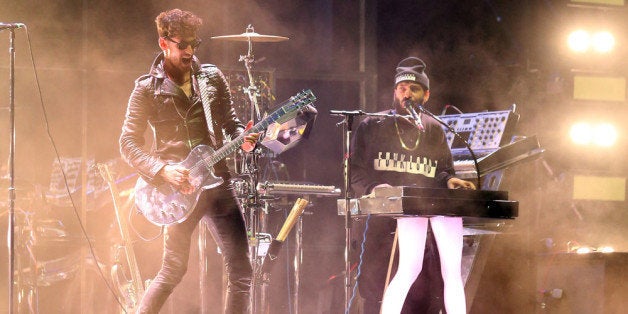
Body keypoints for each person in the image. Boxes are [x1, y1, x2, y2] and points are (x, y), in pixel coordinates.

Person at [119, 8, 259, 314]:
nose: (190, 51)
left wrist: (244, 139)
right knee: (173, 271)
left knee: (241, 271)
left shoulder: (211, 77)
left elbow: (230, 122)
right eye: (183, 44)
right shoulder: (146, 89)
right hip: (177, 188)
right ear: (164, 44)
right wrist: (162, 170)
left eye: (195, 44)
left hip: (219, 184)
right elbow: (127, 143)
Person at [350, 57, 475, 314]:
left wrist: (449, 181)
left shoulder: (433, 129)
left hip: (420, 214)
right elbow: (356, 173)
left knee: (426, 284)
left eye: (413, 88)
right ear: (394, 91)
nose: (406, 93)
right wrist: (375, 190)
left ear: (426, 95)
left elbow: (442, 171)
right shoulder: (373, 124)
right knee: (377, 288)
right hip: (380, 223)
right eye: (401, 88)